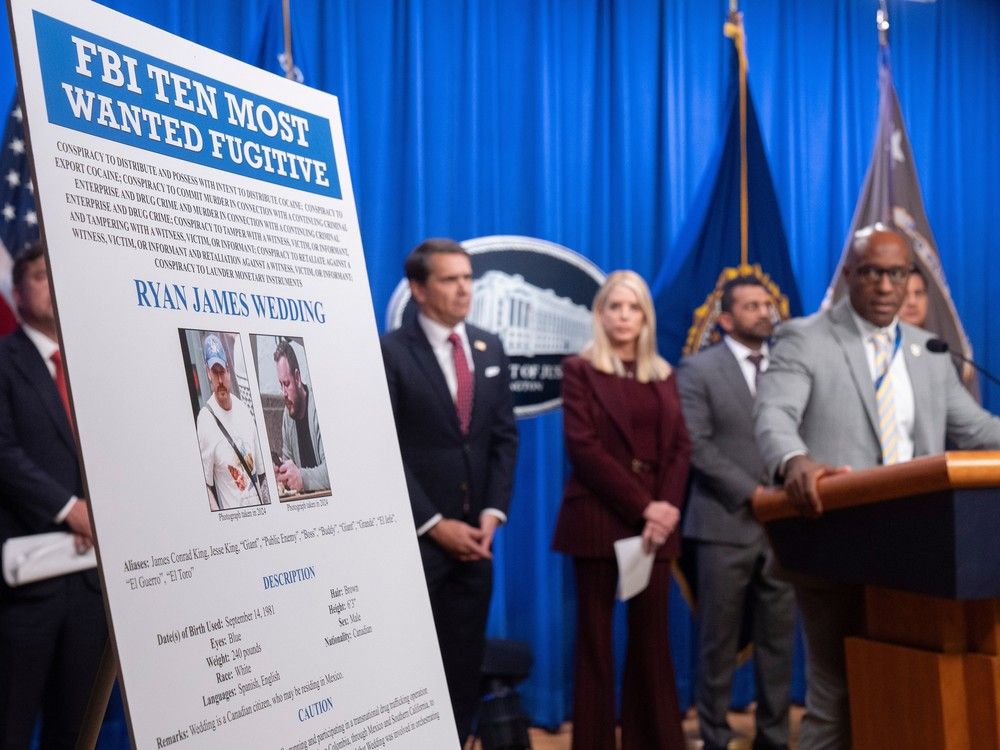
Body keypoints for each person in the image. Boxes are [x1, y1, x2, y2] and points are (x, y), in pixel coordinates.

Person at [754, 224, 1000, 750]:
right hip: (835, 542)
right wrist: (794, 460)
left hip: (920, 552)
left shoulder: (928, 350)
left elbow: (974, 430)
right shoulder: (807, 337)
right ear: (849, 275)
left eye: (898, 273)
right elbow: (775, 414)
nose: (887, 286)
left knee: (906, 687)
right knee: (836, 693)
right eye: (873, 272)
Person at [380, 238, 518, 743]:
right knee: (410, 668)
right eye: (451, 279)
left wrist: (492, 515)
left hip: (477, 544)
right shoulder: (390, 352)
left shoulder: (489, 346)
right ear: (418, 288)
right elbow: (383, 449)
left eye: (468, 278)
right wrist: (435, 526)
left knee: (463, 668)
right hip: (416, 544)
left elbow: (503, 438)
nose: (465, 289)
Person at [552, 270, 691, 750]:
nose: (624, 316)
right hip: (598, 519)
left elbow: (680, 449)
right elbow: (583, 449)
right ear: (600, 314)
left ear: (645, 317)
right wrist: (646, 506)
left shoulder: (666, 374)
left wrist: (666, 508)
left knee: (652, 641)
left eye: (634, 308)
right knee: (595, 643)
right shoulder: (580, 370)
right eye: (615, 307)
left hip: (656, 528)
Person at [677, 276, 795, 750]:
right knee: (717, 646)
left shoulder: (788, 368)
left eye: (767, 304)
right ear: (726, 319)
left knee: (779, 645)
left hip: (785, 529)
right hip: (724, 524)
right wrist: (753, 493)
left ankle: (773, 738)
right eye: (751, 306)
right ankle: (715, 737)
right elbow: (696, 446)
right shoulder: (698, 369)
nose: (764, 312)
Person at [0, 243, 106, 749]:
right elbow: (3, 451)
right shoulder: (4, 359)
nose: (51, 283)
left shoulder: (94, 368)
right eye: (40, 276)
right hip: (27, 586)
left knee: (74, 731)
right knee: (11, 727)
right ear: (17, 292)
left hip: (89, 587)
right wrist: (71, 510)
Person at [196, 333, 267, 510]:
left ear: (228, 369)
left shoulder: (244, 411)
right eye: (215, 372)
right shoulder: (205, 420)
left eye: (222, 372)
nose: (220, 380)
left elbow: (262, 473)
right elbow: (205, 484)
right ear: (207, 372)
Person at [274, 339, 329, 493]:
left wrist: (301, 478)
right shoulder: (288, 414)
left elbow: (333, 470)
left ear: (297, 378)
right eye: (280, 385)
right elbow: (287, 459)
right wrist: (282, 473)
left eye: (287, 383)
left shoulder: (318, 408)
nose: (283, 393)